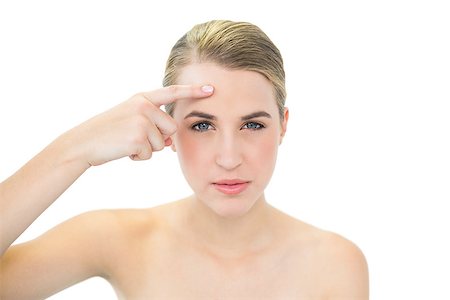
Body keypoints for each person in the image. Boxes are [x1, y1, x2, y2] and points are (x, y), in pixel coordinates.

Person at [0, 20, 369, 299]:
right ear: (168, 128)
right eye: (202, 125)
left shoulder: (334, 263)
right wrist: (75, 149)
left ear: (283, 126)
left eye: (253, 124)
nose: (228, 158)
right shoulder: (116, 238)